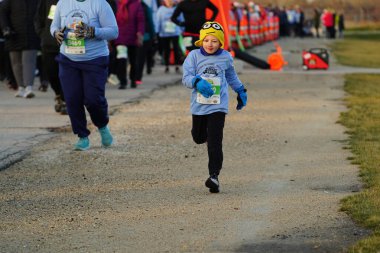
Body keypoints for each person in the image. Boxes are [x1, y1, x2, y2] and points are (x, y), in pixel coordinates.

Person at [182, 21, 248, 193]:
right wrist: (196, 81)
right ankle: (205, 138)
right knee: (198, 137)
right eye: (206, 40)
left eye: (214, 41)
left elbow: (231, 76)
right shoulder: (194, 56)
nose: (210, 44)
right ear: (201, 41)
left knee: (215, 141)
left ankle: (214, 176)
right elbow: (186, 78)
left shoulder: (226, 57)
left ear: (220, 42)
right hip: (199, 106)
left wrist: (240, 90)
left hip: (218, 106)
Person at [50, 0, 118, 150]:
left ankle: (102, 125)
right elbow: (53, 25)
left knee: (93, 99)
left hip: (95, 60)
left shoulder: (100, 4)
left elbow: (113, 31)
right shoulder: (62, 3)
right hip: (68, 59)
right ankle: (82, 136)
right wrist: (56, 33)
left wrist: (93, 31)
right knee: (72, 99)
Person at [0, 0, 40, 98]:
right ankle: (21, 87)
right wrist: (5, 28)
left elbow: (43, 15)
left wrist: (40, 31)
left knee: (29, 62)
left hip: (31, 35)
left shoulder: (38, 1)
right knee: (16, 63)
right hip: (13, 36)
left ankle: (28, 87)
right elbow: (3, 13)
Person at [34, 0, 67, 115]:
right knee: (52, 74)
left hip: (68, 45)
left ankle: (65, 101)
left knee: (66, 74)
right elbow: (38, 18)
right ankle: (58, 94)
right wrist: (43, 34)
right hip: (49, 43)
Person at [114, 0, 145, 89]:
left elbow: (140, 20)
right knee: (122, 60)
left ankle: (133, 80)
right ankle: (123, 81)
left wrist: (140, 34)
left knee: (133, 60)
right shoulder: (116, 3)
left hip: (133, 38)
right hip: (120, 38)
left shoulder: (136, 4)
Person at [156, 0, 183, 73]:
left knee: (176, 49)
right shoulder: (161, 9)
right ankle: (166, 65)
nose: (169, 2)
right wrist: (157, 31)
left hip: (175, 32)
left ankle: (177, 65)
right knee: (166, 49)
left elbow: (181, 19)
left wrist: (182, 29)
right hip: (164, 33)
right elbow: (158, 21)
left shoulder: (177, 8)